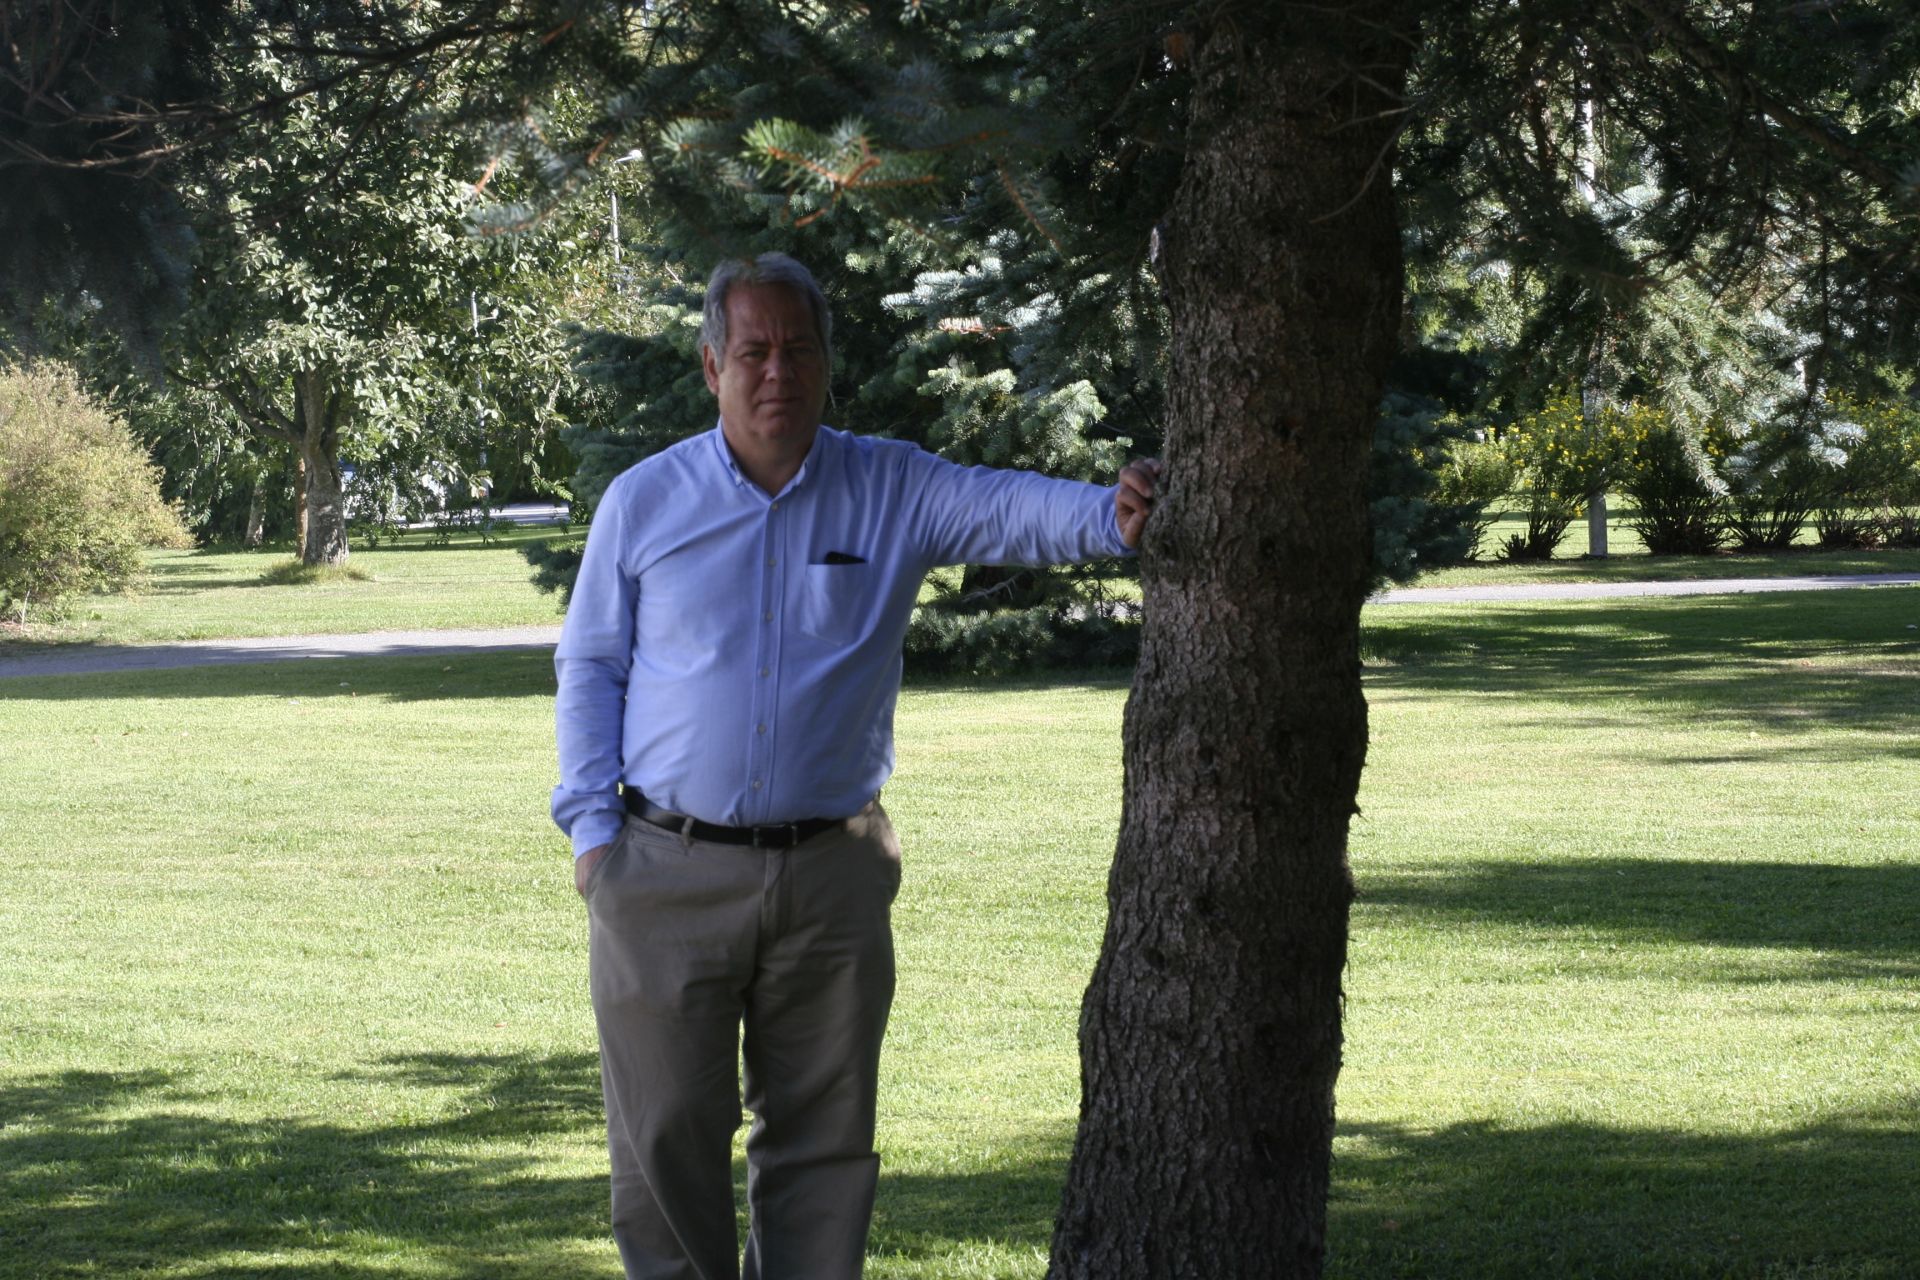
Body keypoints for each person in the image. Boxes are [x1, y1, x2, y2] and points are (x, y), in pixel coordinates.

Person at [552, 252, 1160, 1280]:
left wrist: (1113, 515)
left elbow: (1006, 506)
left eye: (798, 348)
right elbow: (591, 660)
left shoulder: (890, 486)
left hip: (832, 874)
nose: (776, 370)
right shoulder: (645, 501)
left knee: (823, 1148)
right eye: (753, 350)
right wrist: (594, 835)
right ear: (712, 366)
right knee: (662, 1143)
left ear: (828, 363)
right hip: (662, 870)